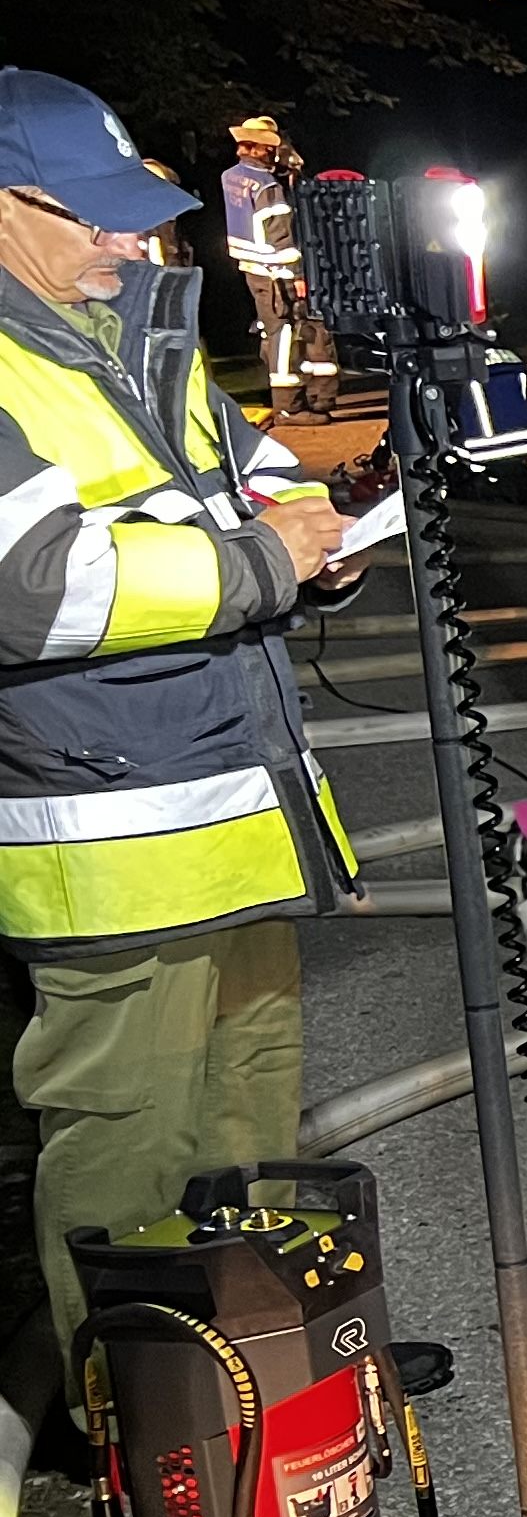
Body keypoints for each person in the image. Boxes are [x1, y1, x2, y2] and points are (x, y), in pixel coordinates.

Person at [0, 69, 354, 1362]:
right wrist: (273, 562)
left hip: (231, 824)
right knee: (126, 1161)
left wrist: (332, 531)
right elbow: (35, 591)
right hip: (107, 855)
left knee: (250, 1126)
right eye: (88, 212)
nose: (123, 236)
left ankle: (260, 1392)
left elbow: (253, 476)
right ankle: (147, 1436)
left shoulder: (132, 335)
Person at [218, 115, 331, 416]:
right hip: (276, 272)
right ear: (260, 149)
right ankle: (290, 407)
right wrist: (295, 274)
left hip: (252, 269)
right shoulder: (268, 187)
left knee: (273, 333)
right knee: (283, 334)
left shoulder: (230, 177)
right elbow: (279, 233)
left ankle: (292, 402)